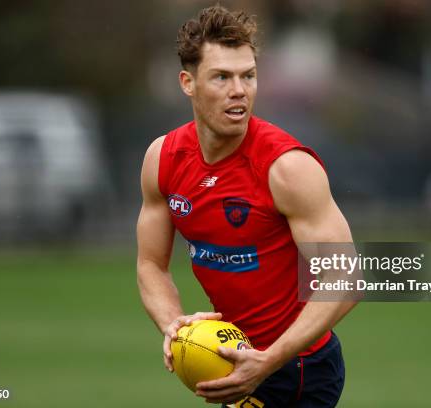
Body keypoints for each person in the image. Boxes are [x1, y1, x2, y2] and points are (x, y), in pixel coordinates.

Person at [136, 5, 358, 407]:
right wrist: (174, 326)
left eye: (248, 76)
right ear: (188, 82)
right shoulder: (163, 159)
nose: (239, 90)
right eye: (222, 77)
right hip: (233, 362)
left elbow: (344, 280)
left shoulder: (287, 168)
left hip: (299, 368)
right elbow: (151, 264)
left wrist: (268, 360)